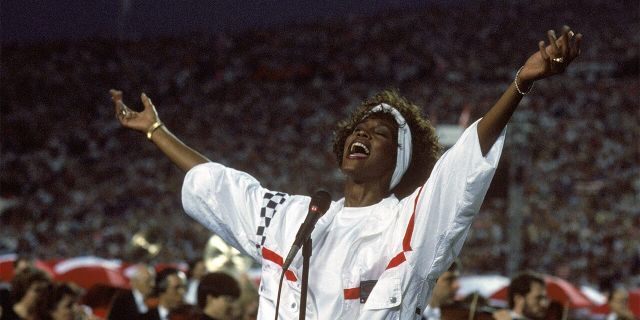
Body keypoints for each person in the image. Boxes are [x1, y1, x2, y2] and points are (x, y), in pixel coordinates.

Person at [111, 26, 582, 319]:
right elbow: (218, 184)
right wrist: (156, 131)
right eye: (358, 127)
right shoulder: (298, 217)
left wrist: (519, 84)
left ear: (399, 160)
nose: (362, 133)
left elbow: (461, 170)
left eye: (379, 133)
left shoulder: (408, 224)